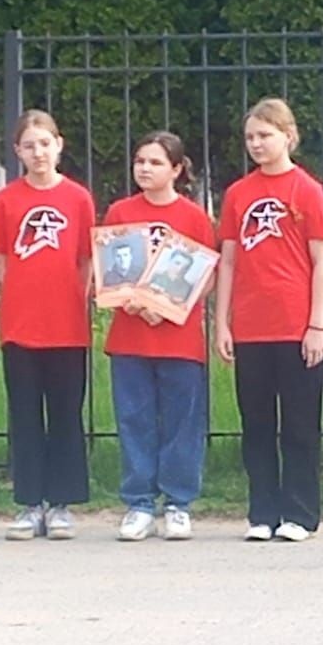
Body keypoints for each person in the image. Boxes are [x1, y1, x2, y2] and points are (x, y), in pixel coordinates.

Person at [215, 98, 323, 542]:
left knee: (300, 425)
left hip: (296, 324)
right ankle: (262, 511)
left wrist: (316, 324)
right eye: (250, 137)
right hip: (251, 325)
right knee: (257, 425)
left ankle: (300, 513)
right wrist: (222, 322)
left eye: (265, 135)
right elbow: (228, 261)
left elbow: (322, 260)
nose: (256, 144)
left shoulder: (307, 190)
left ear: (288, 136)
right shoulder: (238, 194)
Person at [0, 110, 95, 541]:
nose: (38, 153)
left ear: (59, 145)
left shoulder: (78, 198)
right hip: (21, 325)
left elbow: (86, 258)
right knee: (25, 414)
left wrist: (75, 297)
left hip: (66, 325)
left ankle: (62, 503)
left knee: (66, 413)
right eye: (29, 146)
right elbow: (1, 259)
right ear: (18, 151)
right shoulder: (7, 200)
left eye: (45, 144)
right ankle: (30, 503)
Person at [103, 131, 215, 541]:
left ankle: (178, 502)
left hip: (179, 338)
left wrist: (168, 306)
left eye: (155, 162)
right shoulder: (120, 212)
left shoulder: (194, 217)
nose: (145, 169)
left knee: (182, 422)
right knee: (135, 419)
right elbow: (109, 267)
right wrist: (130, 301)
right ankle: (139, 502)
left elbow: (206, 273)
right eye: (140, 161)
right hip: (130, 335)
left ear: (176, 169)